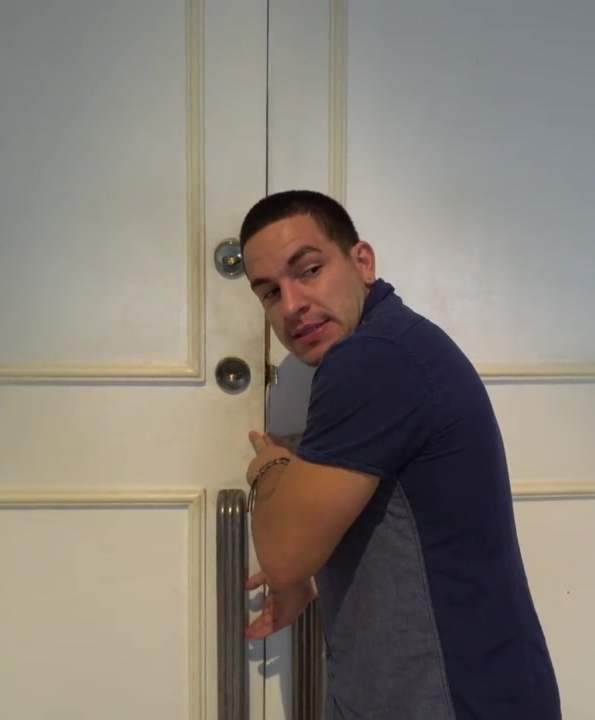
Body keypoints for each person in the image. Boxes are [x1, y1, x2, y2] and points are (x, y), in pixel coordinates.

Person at [238, 189, 561, 719]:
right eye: (270, 292)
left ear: (362, 262)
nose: (292, 304)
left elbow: (284, 557)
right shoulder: (401, 342)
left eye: (310, 270)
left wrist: (268, 466)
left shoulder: (371, 360)